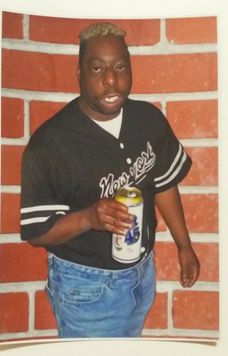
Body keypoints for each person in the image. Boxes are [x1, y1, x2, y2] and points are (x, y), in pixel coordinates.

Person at [20, 22, 200, 338]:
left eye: (120, 67)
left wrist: (184, 245)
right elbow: (37, 232)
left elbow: (164, 185)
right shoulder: (51, 144)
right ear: (79, 73)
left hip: (142, 272)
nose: (111, 80)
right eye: (97, 68)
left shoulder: (148, 119)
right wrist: (89, 218)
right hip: (85, 285)